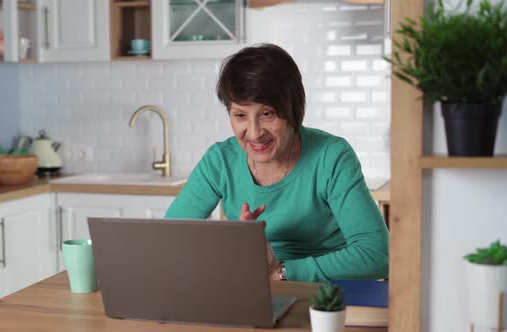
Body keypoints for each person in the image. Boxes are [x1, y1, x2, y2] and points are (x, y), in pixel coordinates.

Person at [164, 43, 389, 282]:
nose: (254, 132)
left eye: (267, 114)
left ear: (293, 109)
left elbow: (377, 255)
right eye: (240, 115)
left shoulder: (331, 156)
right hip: (252, 289)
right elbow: (168, 241)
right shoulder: (220, 160)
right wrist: (234, 247)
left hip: (327, 296)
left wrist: (280, 270)